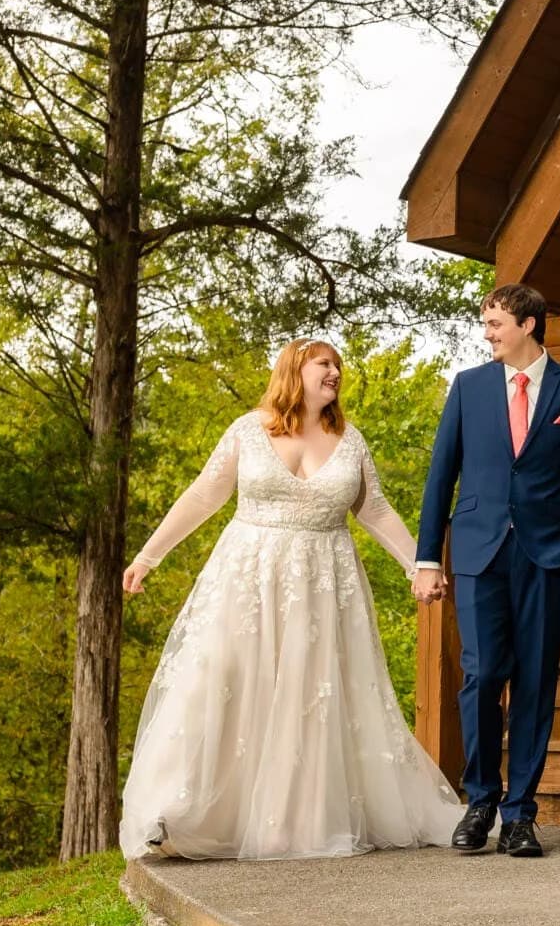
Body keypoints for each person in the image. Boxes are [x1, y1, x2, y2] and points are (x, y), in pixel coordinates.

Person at [118, 339, 466, 860]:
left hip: (323, 585)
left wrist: (419, 565)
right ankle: (177, 811)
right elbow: (202, 495)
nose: (335, 373)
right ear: (294, 369)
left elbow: (375, 511)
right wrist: (149, 556)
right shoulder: (248, 430)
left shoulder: (350, 440)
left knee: (311, 696)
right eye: (324, 363)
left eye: (338, 366)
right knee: (220, 681)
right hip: (247, 581)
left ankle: (290, 823)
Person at [413, 284, 560, 858]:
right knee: (482, 675)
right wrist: (428, 557)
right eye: (485, 324)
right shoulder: (469, 388)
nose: (487, 333)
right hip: (479, 553)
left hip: (549, 555)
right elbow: (442, 477)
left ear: (529, 324)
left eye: (496, 323)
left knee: (535, 681)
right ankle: (480, 799)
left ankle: (519, 816)